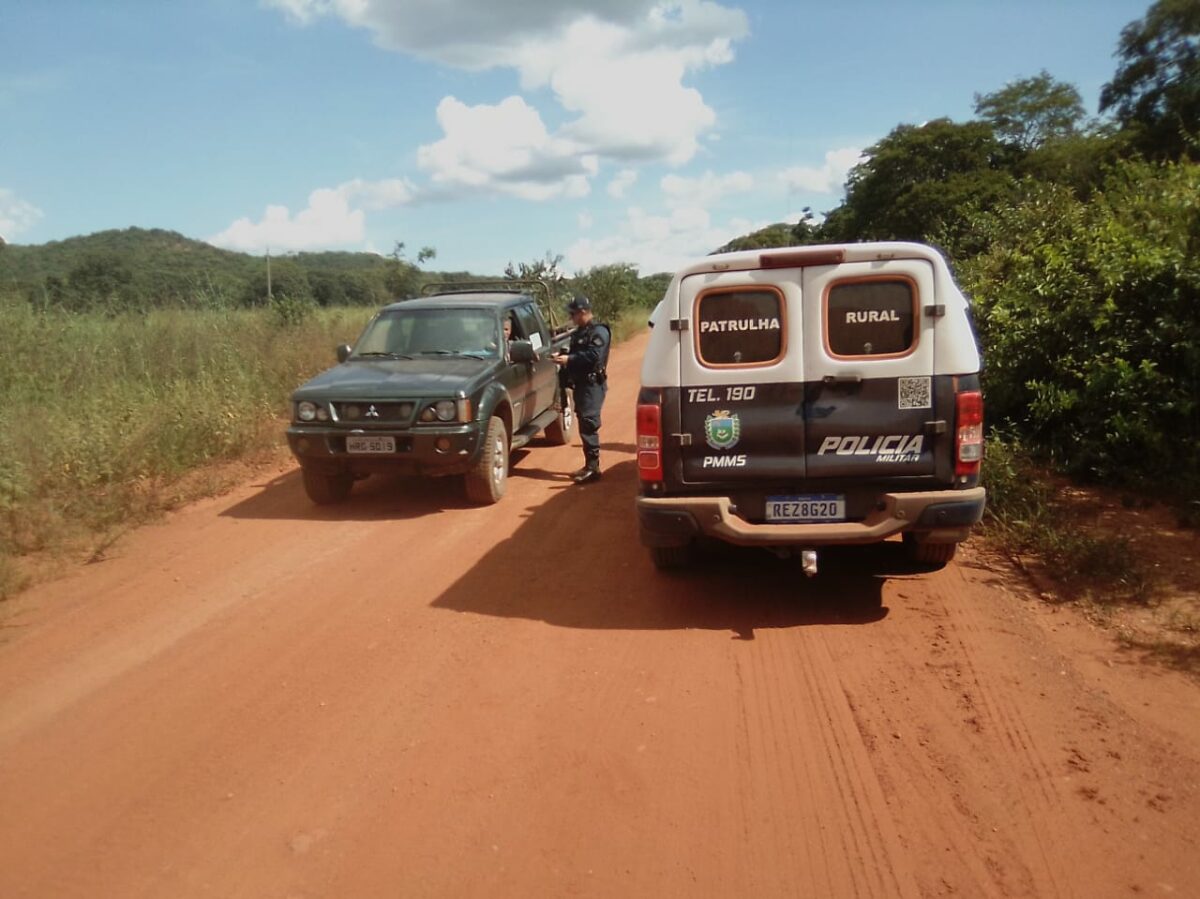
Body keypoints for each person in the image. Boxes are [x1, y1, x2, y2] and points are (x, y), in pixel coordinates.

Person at [552, 295, 610, 484]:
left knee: (588, 423)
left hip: (592, 385)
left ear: (583, 312)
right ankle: (589, 465)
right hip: (582, 385)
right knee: (584, 421)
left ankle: (594, 468)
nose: (571, 317)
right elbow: (579, 353)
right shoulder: (581, 332)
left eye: (573, 313)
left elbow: (594, 356)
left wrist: (570, 360)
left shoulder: (598, 332)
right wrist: (564, 355)